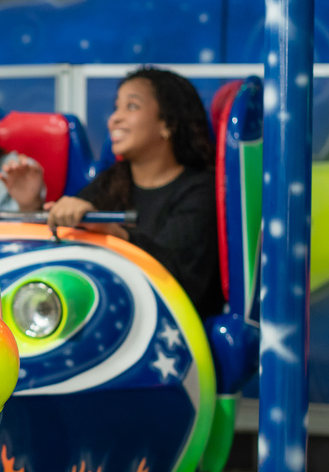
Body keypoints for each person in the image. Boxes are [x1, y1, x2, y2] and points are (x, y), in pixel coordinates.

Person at [46, 67, 224, 318]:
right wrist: (31, 202)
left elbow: (178, 277)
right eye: (116, 107)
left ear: (168, 123)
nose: (113, 119)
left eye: (131, 107)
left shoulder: (200, 189)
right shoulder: (112, 180)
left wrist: (113, 232)